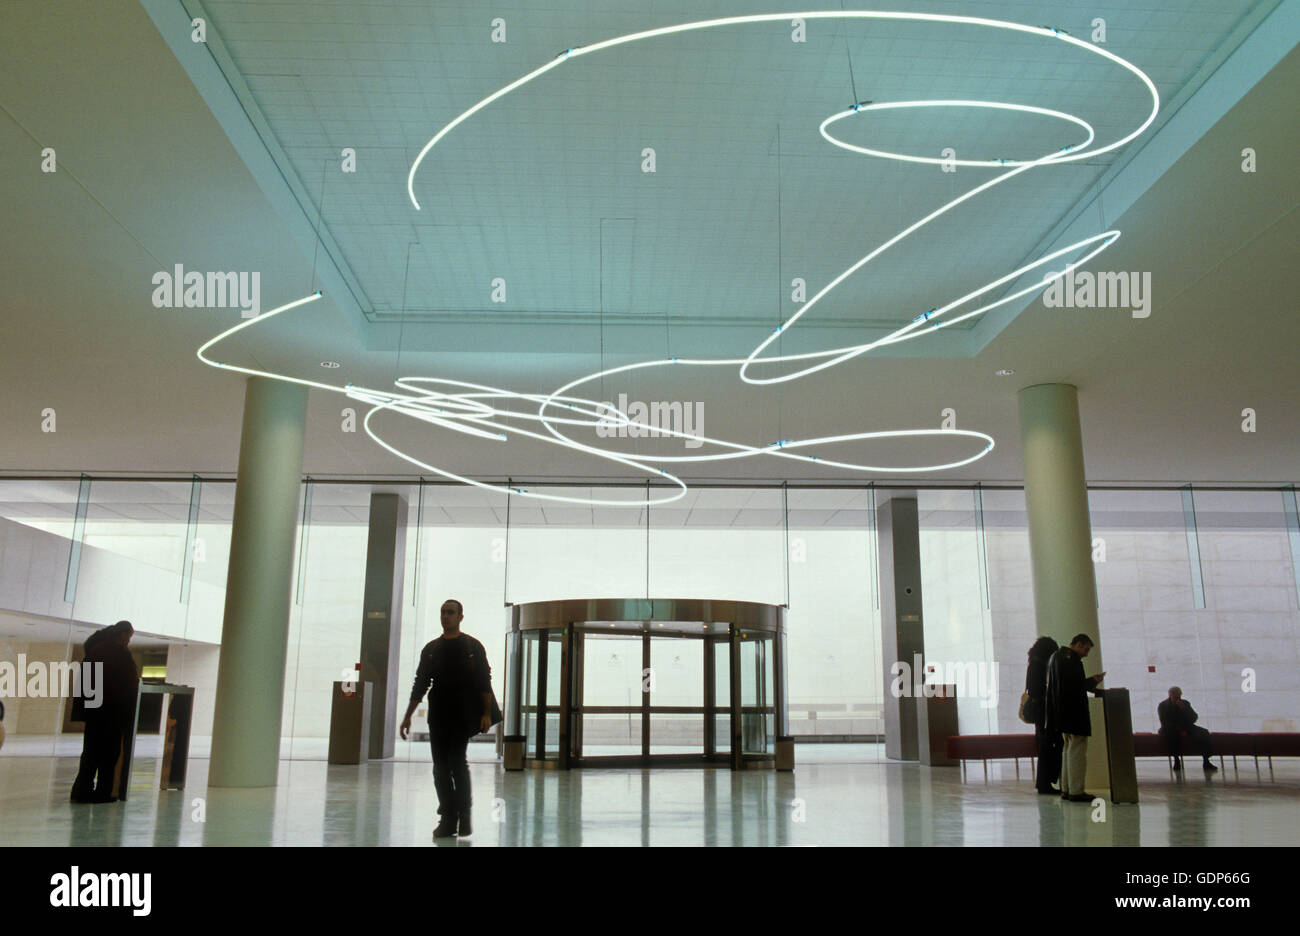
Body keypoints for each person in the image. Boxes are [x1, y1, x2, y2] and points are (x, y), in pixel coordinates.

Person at [400, 599, 494, 839]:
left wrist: (485, 713)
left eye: (450, 613)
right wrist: (408, 717)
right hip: (438, 715)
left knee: (456, 763)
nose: (445, 616)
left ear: (460, 617)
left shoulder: (472, 646)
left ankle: (463, 815)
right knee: (440, 769)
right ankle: (449, 816)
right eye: (443, 612)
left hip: (461, 715)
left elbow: (484, 682)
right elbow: (420, 683)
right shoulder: (431, 649)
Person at [70, 621, 139, 803]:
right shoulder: (118, 653)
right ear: (122, 634)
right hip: (112, 712)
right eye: (129, 636)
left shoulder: (95, 649)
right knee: (110, 753)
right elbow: (128, 683)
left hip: (95, 711)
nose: (129, 640)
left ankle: (81, 790)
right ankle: (103, 791)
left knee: (90, 751)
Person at [1044, 633, 1105, 803]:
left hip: (1061, 714)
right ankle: (1077, 791)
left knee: (1068, 750)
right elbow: (1077, 687)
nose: (1086, 654)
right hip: (1074, 712)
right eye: (1085, 649)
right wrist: (1093, 681)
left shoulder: (1055, 657)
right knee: (1077, 752)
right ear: (1078, 644)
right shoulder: (1072, 660)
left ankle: (1067, 788)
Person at [1025, 636, 1060, 794]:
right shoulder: (1039, 665)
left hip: (1038, 712)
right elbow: (1037, 689)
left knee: (1044, 746)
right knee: (1047, 746)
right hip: (1042, 711)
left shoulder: (1034, 663)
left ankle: (1044, 782)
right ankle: (1045, 783)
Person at [1157, 686, 1217, 772]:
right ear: (1170, 695)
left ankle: (1206, 760)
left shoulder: (1185, 703)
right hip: (1170, 727)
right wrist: (1179, 729)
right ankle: (1176, 760)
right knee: (1172, 735)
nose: (1178, 698)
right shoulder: (1163, 705)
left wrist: (1184, 708)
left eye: (1179, 696)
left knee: (1203, 732)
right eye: (1176, 696)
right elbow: (1164, 721)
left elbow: (1194, 718)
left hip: (1186, 726)